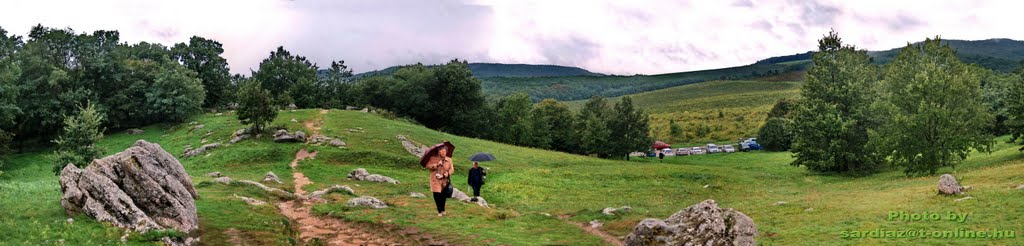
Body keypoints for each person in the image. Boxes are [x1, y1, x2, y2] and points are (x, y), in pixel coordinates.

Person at [425, 146, 454, 217]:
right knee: (437, 195)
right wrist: (437, 165)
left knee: (443, 196)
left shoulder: (449, 160)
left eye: (445, 151)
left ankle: (443, 209)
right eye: (442, 151)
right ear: (439, 151)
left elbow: (452, 169)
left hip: (444, 180)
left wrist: (445, 175)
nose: (444, 152)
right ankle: (439, 211)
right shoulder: (433, 158)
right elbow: (427, 166)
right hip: (435, 180)